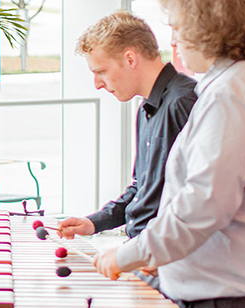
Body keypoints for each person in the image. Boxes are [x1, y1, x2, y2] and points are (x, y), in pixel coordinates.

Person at [94, 0, 245, 308]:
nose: (173, 40)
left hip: (234, 303)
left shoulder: (233, 93)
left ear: (208, 27)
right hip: (240, 296)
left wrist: (128, 255)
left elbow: (203, 205)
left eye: (178, 28)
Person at [58, 10, 197, 287]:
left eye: (101, 71)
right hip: (143, 256)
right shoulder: (146, 108)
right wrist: (94, 223)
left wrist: (147, 253)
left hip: (166, 265)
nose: (97, 84)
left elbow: (195, 200)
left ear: (130, 59)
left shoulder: (183, 102)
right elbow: (142, 189)